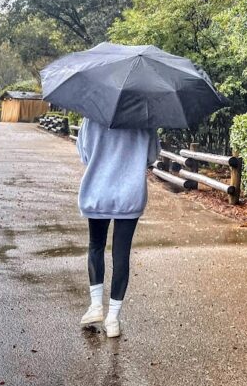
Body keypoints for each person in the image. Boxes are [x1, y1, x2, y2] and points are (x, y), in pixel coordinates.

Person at [76, 117, 160, 337]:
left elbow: (84, 155)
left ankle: (95, 306)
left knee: (96, 245)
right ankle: (113, 318)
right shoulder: (145, 120)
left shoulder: (91, 118)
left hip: (97, 191)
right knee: (121, 253)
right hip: (129, 194)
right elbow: (151, 157)